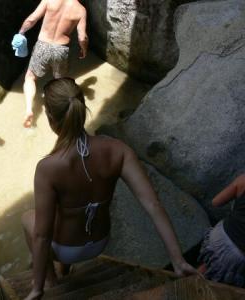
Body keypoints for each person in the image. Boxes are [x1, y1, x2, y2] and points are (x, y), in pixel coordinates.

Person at [21, 78, 198, 300]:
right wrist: (177, 260)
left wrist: (36, 289)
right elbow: (153, 205)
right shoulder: (118, 150)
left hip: (66, 248)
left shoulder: (48, 167)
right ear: (82, 110)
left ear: (50, 119)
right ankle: (63, 269)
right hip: (100, 241)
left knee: (29, 218)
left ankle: (49, 282)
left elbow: (42, 236)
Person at [16, 0, 88, 128]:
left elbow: (32, 19)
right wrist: (84, 49)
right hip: (61, 49)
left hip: (43, 45)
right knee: (60, 83)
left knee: (30, 77)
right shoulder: (81, 10)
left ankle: (28, 109)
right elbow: (82, 37)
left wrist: (21, 32)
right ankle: (60, 115)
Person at [198, 175, 245, 287]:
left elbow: (216, 202)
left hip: (220, 236)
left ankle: (184, 285)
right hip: (239, 255)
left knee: (208, 266)